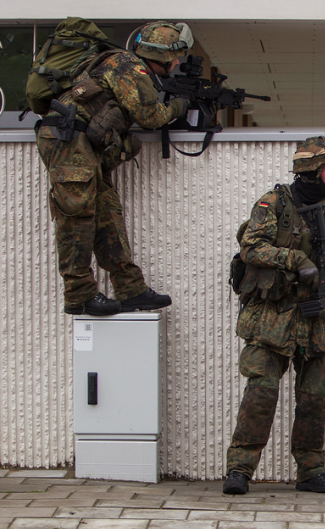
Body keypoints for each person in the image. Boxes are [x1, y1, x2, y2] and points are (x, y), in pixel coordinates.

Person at [223, 136, 325, 495]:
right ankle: (239, 469)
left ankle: (311, 471)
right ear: (312, 172)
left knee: (315, 397)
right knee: (261, 393)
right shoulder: (273, 205)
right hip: (274, 316)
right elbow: (251, 246)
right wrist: (295, 260)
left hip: (317, 322)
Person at [35, 21, 192, 315]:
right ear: (165, 55)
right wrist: (179, 107)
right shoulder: (128, 66)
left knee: (107, 213)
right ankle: (79, 296)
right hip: (68, 140)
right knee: (77, 216)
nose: (178, 62)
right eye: (177, 56)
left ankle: (131, 290)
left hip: (82, 144)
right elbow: (150, 115)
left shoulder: (125, 63)